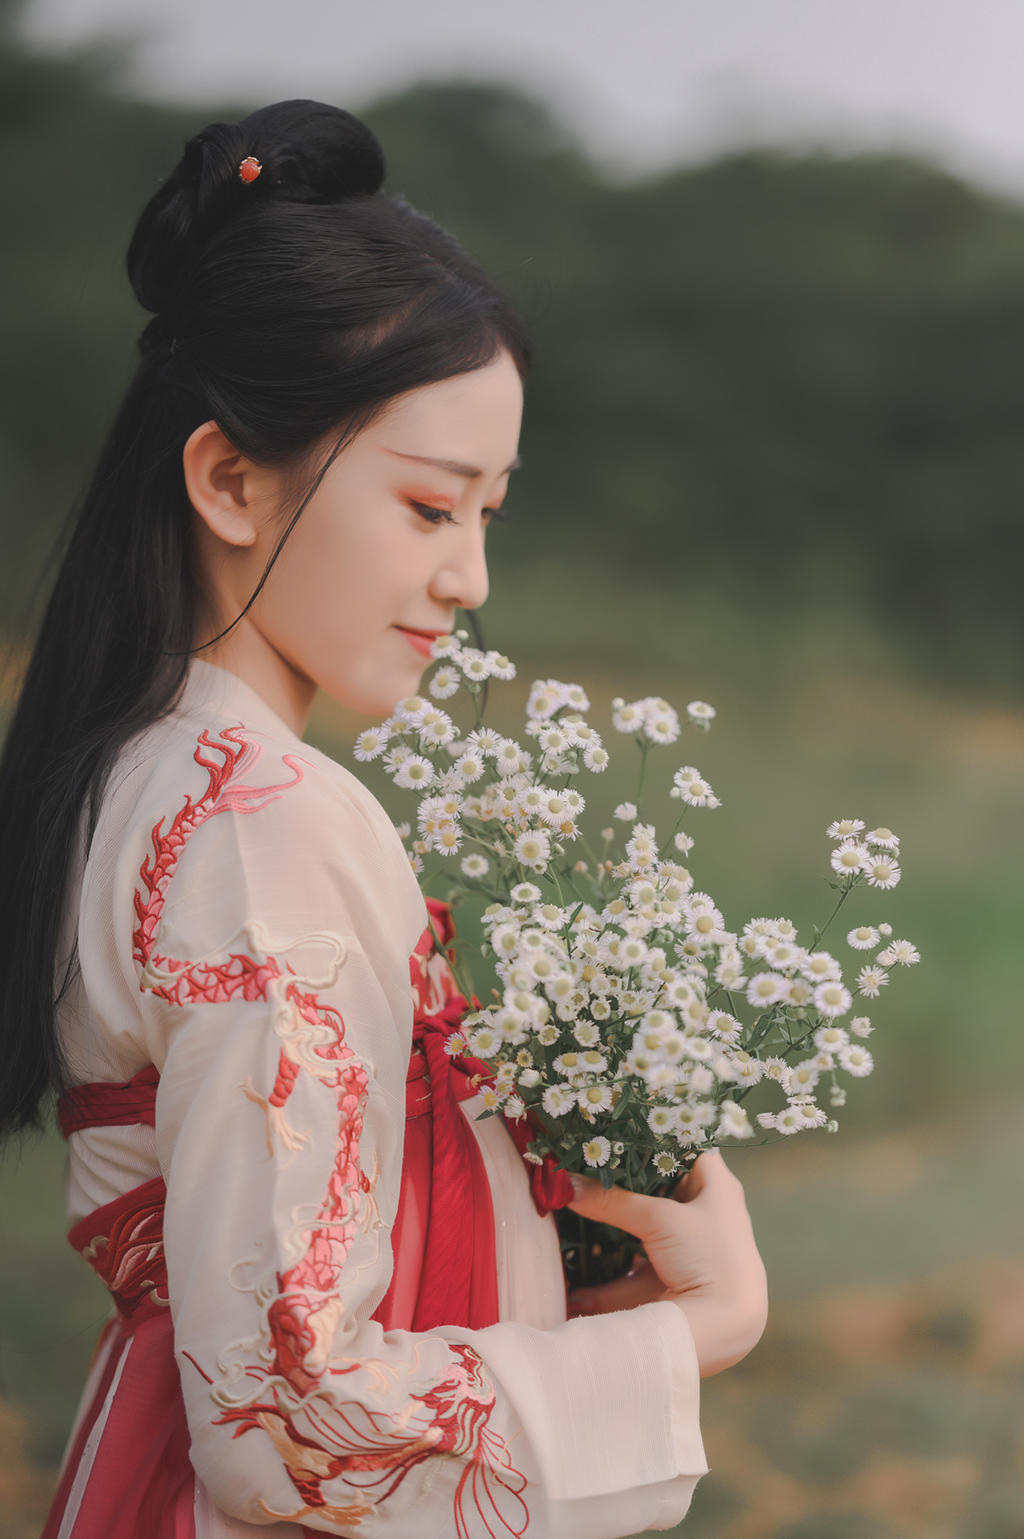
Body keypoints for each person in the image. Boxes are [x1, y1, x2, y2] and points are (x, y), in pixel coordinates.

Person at [0, 99, 768, 1537]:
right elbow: (287, 1419)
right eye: (428, 509)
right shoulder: (258, 822)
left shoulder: (143, 774)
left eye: (491, 512)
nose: (470, 577)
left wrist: (567, 1283)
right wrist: (696, 1331)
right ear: (230, 478)